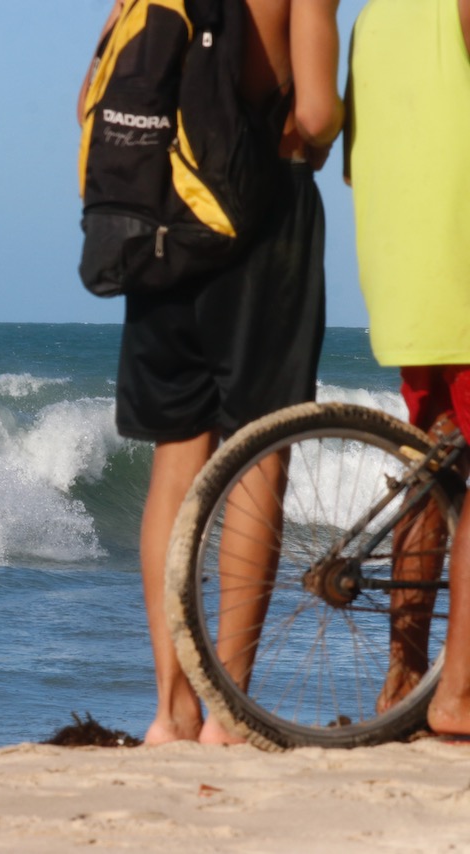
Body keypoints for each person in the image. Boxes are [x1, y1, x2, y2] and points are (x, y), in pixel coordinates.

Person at [79, 0, 346, 745]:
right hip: (264, 213)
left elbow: (93, 101)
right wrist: (328, 129)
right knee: (258, 454)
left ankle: (171, 711)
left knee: (177, 461)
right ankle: (227, 714)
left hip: (160, 223)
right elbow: (316, 113)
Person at [345, 0, 470, 735]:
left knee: (435, 468)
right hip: (461, 266)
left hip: (403, 280)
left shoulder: (372, 19)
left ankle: (404, 681)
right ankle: (458, 693)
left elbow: (357, 165)